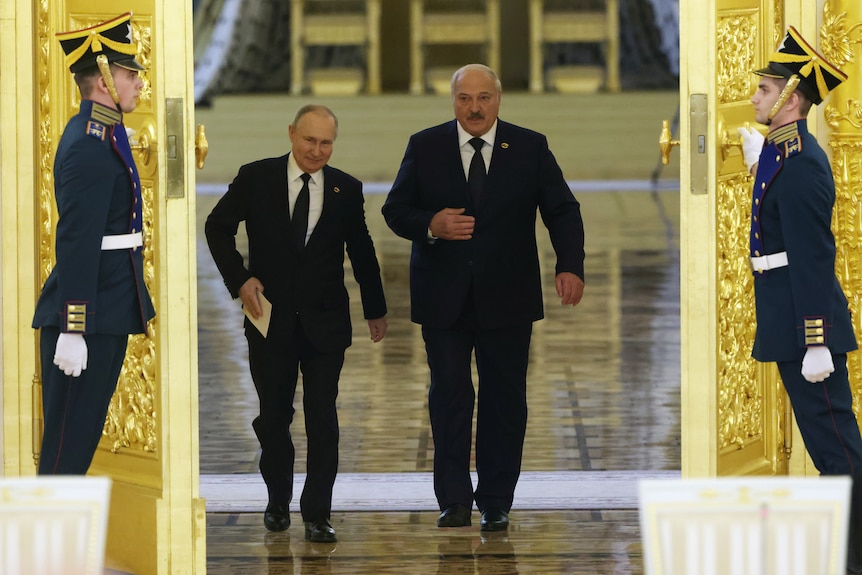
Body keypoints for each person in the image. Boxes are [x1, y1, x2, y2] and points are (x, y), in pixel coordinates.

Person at [381, 63, 585, 532]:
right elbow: (395, 209)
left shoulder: (530, 146)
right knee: (450, 395)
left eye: (483, 98)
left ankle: (496, 500)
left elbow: (562, 209)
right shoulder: (425, 145)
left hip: (508, 296)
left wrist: (569, 264)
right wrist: (430, 225)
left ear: (498, 99)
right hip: (443, 297)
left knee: (504, 399)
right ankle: (453, 500)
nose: (474, 108)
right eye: (464, 99)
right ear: (453, 100)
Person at [205, 104, 387, 542]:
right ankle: (277, 499)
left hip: (326, 323)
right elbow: (217, 226)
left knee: (322, 416)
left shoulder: (346, 189)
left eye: (326, 143)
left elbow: (361, 251)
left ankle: (318, 512)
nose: (317, 151)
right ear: (291, 134)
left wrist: (375, 308)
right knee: (273, 417)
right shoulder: (257, 177)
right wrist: (240, 278)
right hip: (270, 321)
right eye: (310, 140)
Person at [737, 26, 862, 574]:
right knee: (828, 445)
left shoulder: (804, 161)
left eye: (765, 90)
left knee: (838, 450)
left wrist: (818, 340)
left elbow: (813, 257)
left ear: (791, 98)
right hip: (786, 317)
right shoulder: (784, 154)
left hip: (806, 326)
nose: (756, 97)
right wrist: (760, 162)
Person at [32, 13, 155, 475]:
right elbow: (78, 242)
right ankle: (46, 549)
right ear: (103, 80)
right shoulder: (88, 143)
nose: (139, 82)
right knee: (66, 453)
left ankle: (58, 547)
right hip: (91, 311)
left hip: (108, 302)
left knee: (76, 447)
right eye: (129, 73)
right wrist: (73, 326)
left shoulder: (105, 131)